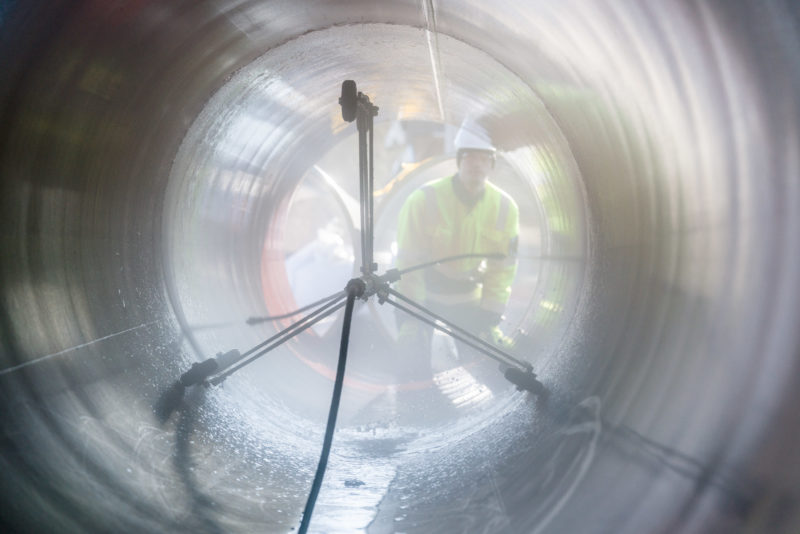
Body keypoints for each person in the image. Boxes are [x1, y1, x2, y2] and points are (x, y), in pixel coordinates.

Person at [394, 119, 519, 362]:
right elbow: (407, 262)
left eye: (484, 159)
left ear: (491, 165)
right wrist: (411, 316)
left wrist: (490, 315)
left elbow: (503, 268)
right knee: (411, 363)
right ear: (459, 160)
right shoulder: (423, 200)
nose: (477, 165)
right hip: (425, 296)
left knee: (485, 365)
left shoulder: (505, 208)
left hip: (468, 298)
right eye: (471, 157)